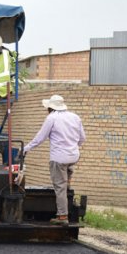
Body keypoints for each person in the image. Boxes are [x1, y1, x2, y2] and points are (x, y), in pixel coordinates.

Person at [24, 95, 86, 225]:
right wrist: (72, 148)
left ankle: (62, 216)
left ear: (50, 108)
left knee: (60, 188)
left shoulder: (51, 118)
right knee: (67, 168)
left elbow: (40, 138)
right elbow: (82, 139)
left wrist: (25, 148)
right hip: (74, 156)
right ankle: (68, 179)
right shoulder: (75, 117)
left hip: (59, 159)